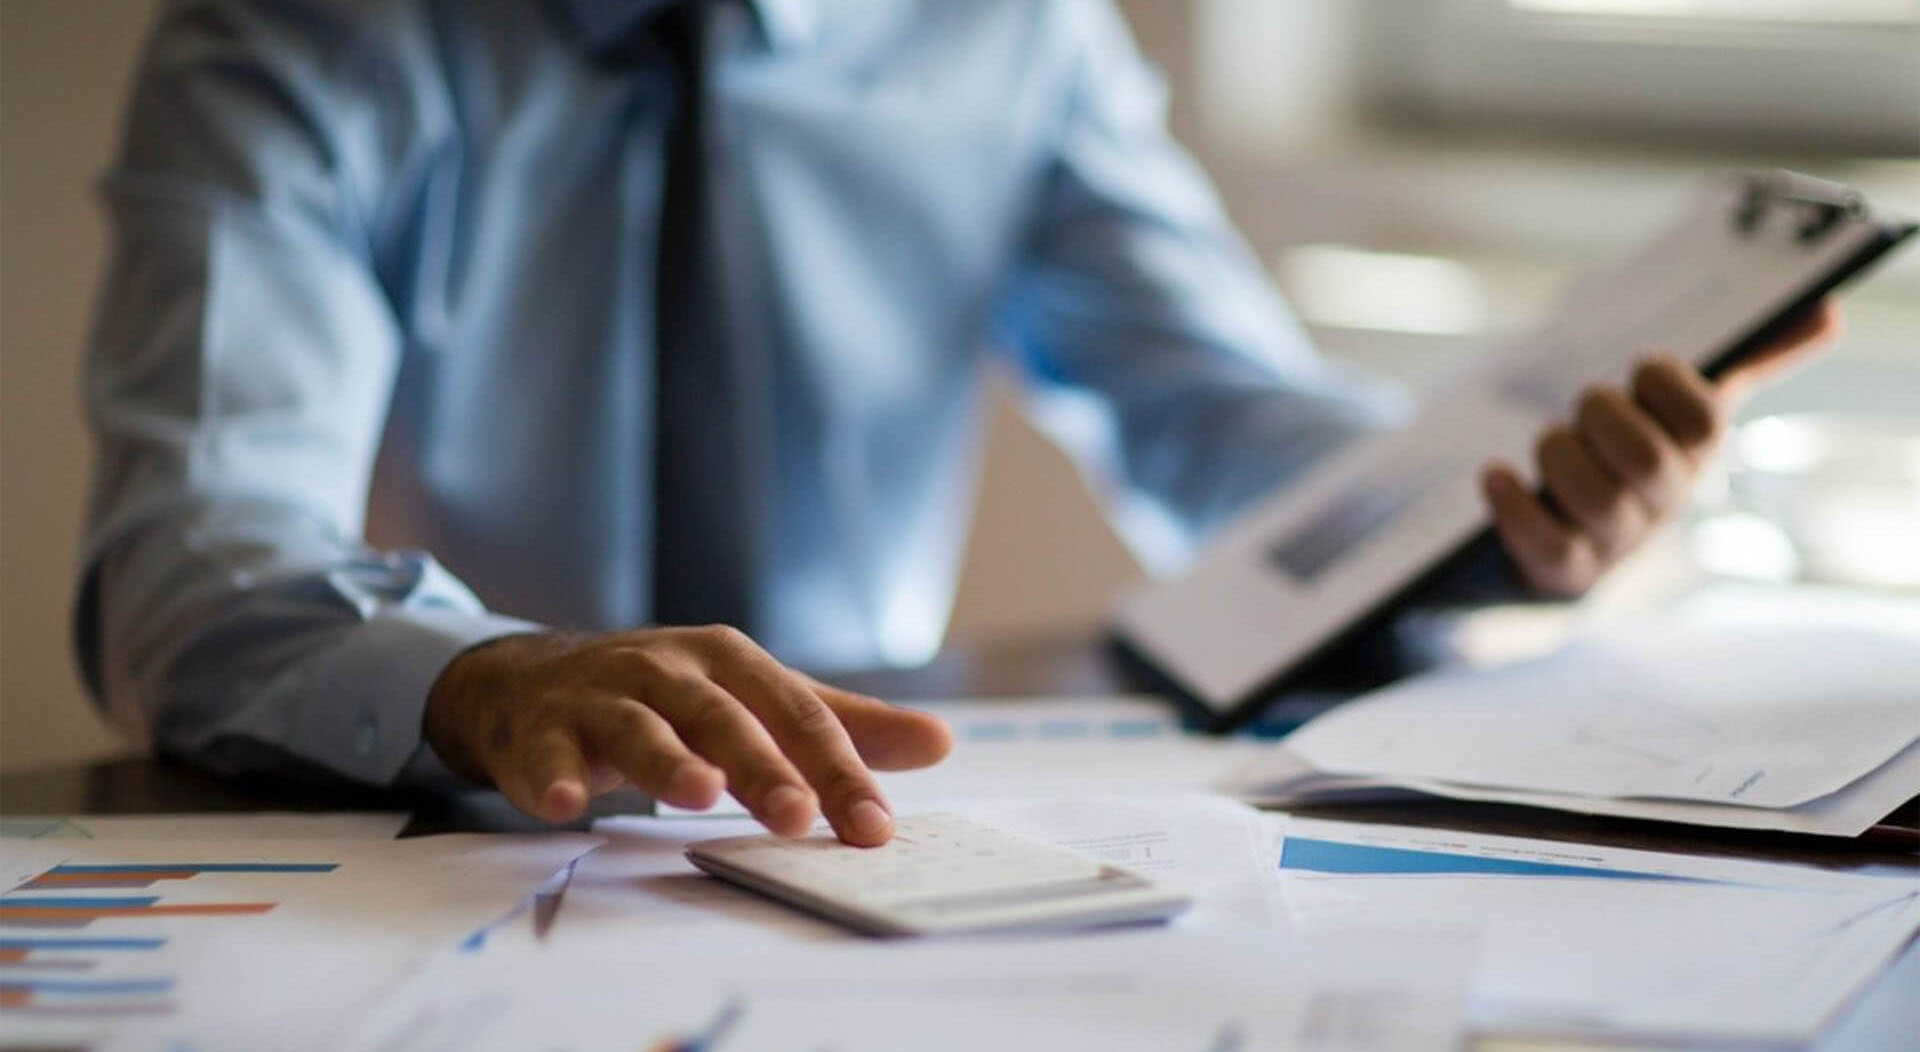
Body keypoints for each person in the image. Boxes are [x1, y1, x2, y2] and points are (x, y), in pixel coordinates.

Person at [77, 0, 1839, 846]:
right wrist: (485, 677)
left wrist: (1503, 513)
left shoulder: (1012, 34)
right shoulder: (297, 37)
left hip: (861, 847)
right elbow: (193, 552)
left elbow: (1228, 431)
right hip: (437, 836)